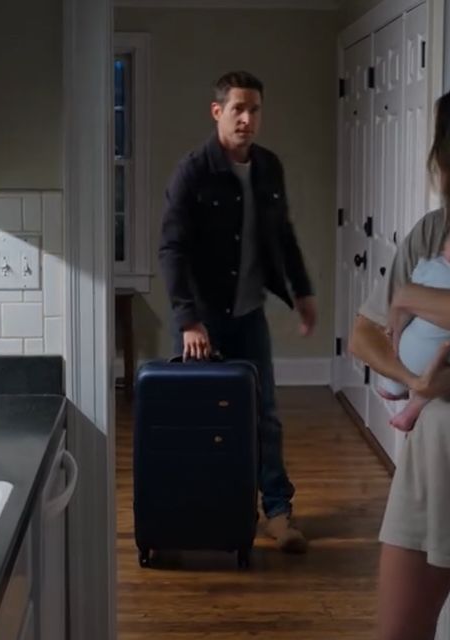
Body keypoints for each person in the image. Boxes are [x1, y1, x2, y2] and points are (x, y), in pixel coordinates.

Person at [158, 70, 317, 554]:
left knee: (265, 416)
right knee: (200, 420)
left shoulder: (268, 167)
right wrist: (188, 321)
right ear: (217, 112)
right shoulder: (192, 171)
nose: (247, 118)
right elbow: (172, 249)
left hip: (250, 314)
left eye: (254, 109)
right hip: (202, 322)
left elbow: (283, 235)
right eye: (237, 109)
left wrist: (302, 291)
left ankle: (277, 513)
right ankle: (208, 510)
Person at [349, 75, 450, 640]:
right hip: (428, 464)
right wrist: (417, 380)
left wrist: (410, 295)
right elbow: (363, 335)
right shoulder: (433, 231)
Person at [377, 203, 450, 431]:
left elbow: (406, 292)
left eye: (447, 244)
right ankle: (414, 407)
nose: (442, 249)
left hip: (413, 353)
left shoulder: (435, 268)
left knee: (404, 335)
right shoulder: (431, 225)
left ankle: (392, 386)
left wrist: (408, 297)